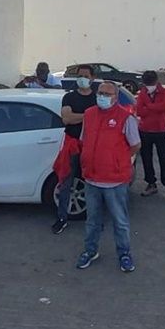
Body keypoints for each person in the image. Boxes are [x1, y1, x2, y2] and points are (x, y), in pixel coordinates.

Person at [76, 81, 140, 272]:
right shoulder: (89, 115)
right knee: (92, 220)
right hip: (92, 178)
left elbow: (135, 145)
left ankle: (124, 254)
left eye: (107, 94)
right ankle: (90, 250)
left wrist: (117, 160)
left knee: (120, 221)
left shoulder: (125, 118)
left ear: (115, 97)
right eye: (100, 92)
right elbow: (83, 140)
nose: (102, 96)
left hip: (115, 180)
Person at [52, 64, 97, 235]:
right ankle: (62, 218)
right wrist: (89, 115)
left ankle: (94, 218)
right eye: (80, 76)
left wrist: (78, 117)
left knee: (93, 183)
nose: (82, 79)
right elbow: (66, 118)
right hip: (72, 146)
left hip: (92, 146)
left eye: (85, 76)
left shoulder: (97, 97)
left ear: (92, 78)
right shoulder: (69, 97)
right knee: (65, 182)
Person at [136, 70, 165, 201]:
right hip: (145, 131)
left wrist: (148, 106)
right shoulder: (142, 92)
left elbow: (163, 107)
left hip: (160, 131)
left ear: (156, 81)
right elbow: (140, 111)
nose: (149, 85)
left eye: (150, 82)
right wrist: (152, 107)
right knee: (146, 159)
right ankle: (151, 183)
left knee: (164, 159)